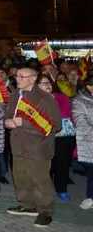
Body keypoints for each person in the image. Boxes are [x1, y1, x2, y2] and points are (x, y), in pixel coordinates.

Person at [5, 68, 62, 227]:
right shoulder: (15, 94)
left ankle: (45, 211)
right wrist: (8, 122)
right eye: (17, 76)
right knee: (20, 177)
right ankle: (27, 205)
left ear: (33, 79)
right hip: (18, 144)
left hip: (38, 146)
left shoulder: (45, 98)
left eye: (21, 76)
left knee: (39, 179)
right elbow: (9, 114)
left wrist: (25, 123)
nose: (17, 79)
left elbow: (55, 125)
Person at [39, 74, 75, 202]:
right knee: (46, 165)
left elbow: (65, 115)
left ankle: (61, 190)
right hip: (43, 137)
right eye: (43, 83)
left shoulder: (61, 97)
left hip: (62, 136)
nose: (47, 85)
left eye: (48, 82)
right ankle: (44, 189)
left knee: (62, 164)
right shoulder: (33, 100)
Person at [72, 76, 93, 210]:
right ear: (88, 86)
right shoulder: (79, 101)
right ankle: (90, 197)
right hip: (89, 142)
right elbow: (80, 122)